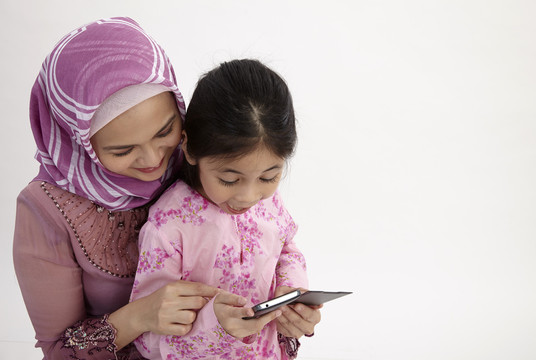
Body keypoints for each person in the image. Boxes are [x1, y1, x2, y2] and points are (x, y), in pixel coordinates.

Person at [12, 17, 222, 359]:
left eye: (165, 130)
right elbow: (58, 350)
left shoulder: (197, 156)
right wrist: (141, 315)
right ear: (78, 142)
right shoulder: (46, 210)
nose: (154, 159)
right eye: (122, 151)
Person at [130, 59, 321, 360]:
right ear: (190, 149)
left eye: (269, 177)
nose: (249, 195)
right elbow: (148, 338)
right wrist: (214, 323)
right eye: (229, 179)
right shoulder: (169, 227)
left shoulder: (269, 202)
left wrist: (293, 294)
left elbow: (287, 249)